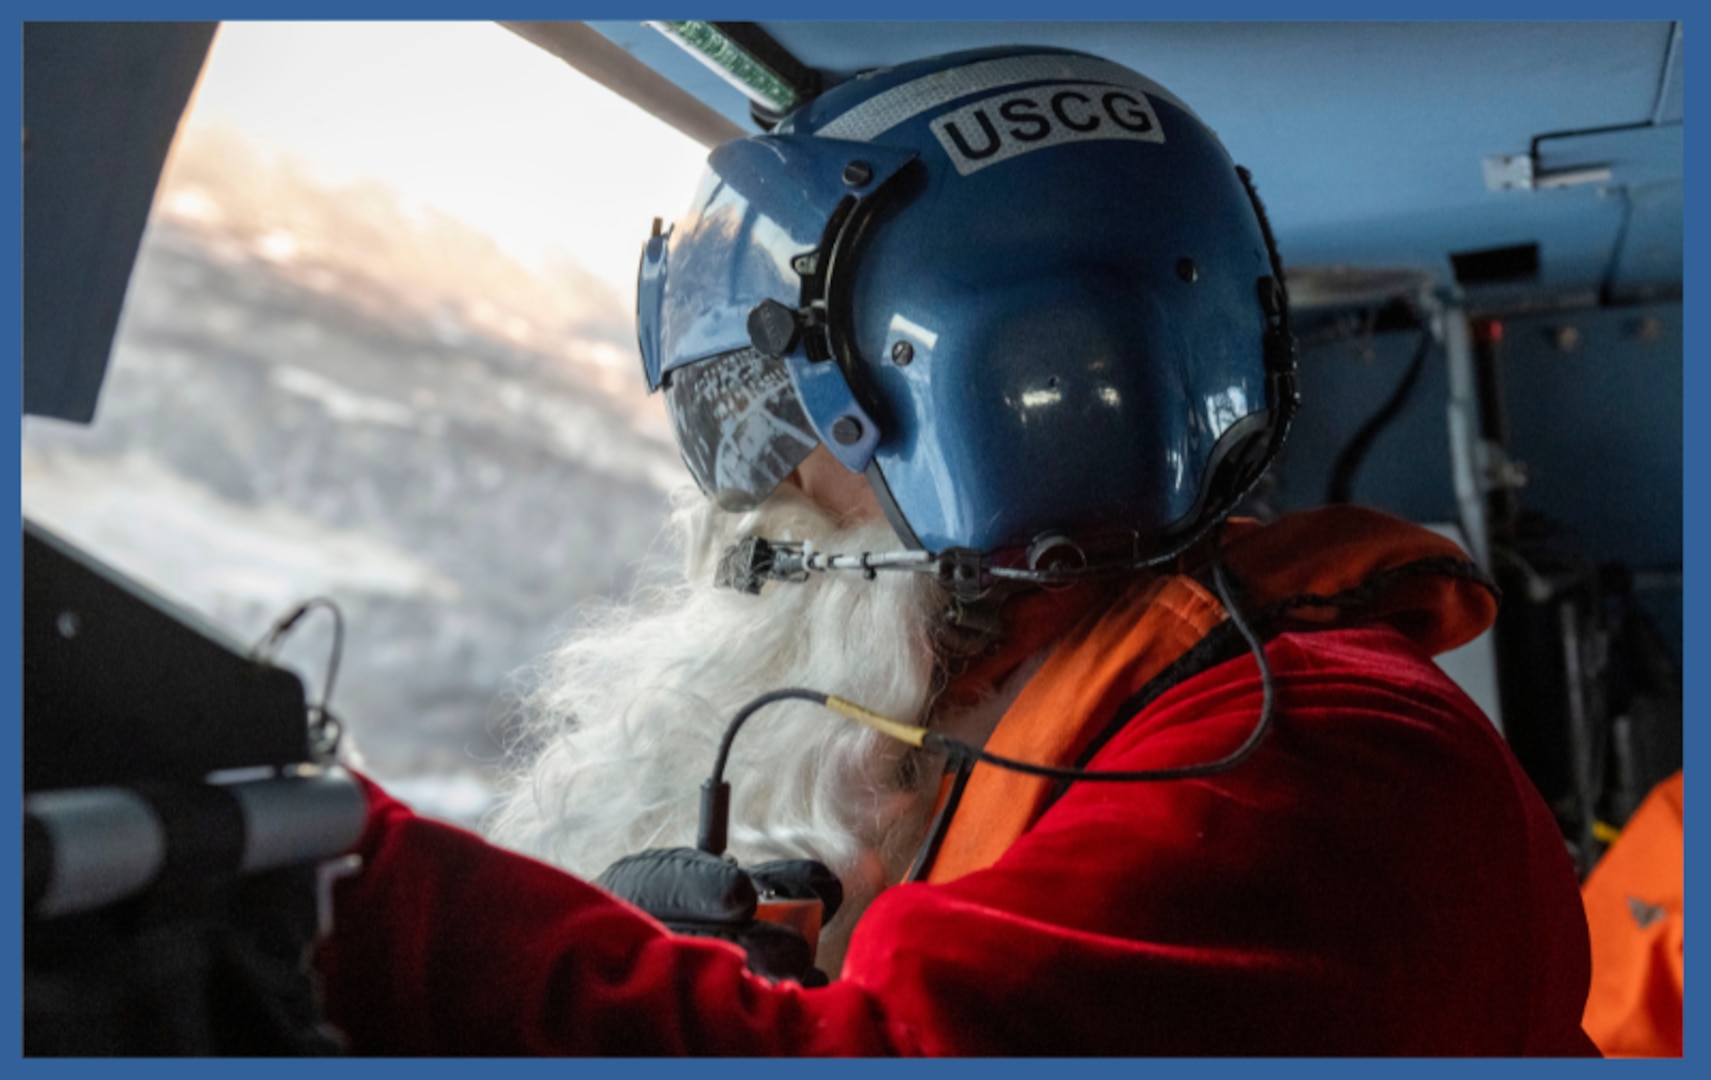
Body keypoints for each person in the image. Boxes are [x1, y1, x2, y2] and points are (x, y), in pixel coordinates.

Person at [314, 45, 1598, 1055]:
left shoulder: (1312, 765)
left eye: (784, 444)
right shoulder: (1103, 712)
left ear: (983, 411)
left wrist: (336, 883)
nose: (745, 517)